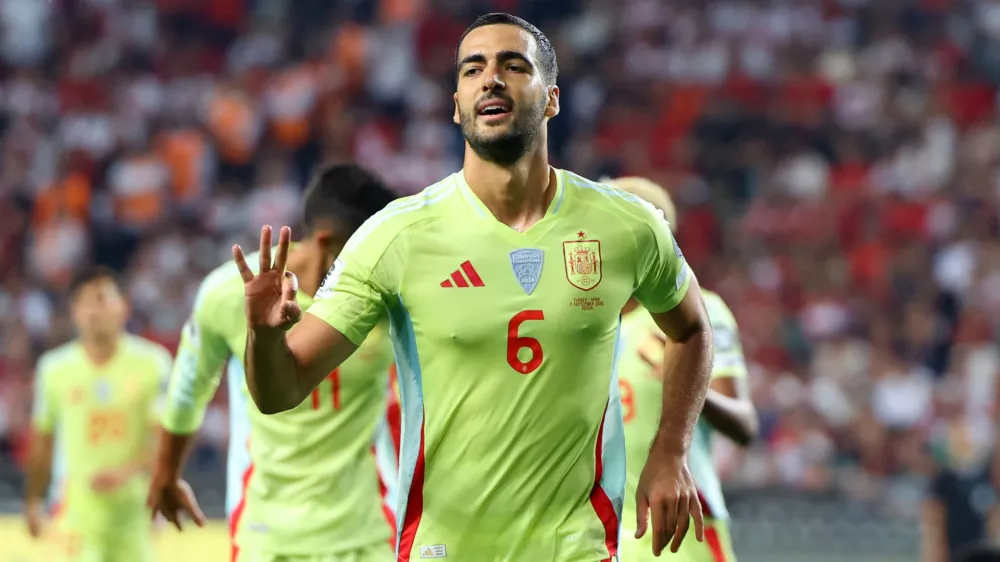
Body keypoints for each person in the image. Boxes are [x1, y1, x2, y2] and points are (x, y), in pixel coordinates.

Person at [233, 12, 715, 561]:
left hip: (575, 548)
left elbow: (693, 330)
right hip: (445, 549)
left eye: (514, 65)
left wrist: (671, 451)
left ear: (552, 98)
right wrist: (265, 338)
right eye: (473, 69)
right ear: (457, 104)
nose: (491, 79)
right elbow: (280, 390)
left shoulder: (627, 225)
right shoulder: (398, 235)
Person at [147, 163, 400, 562]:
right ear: (328, 241)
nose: (383, 262)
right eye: (371, 249)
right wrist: (166, 473)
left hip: (367, 533)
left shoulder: (389, 300)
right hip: (264, 534)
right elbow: (187, 391)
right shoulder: (232, 294)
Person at [606, 177, 758, 562]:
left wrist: (683, 380)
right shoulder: (590, 322)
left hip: (678, 527)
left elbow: (743, 425)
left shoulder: (696, 314)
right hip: (603, 525)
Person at [25, 266, 173, 562]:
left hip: (133, 517)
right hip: (74, 518)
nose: (92, 310)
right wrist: (33, 500)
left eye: (101, 299)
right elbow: (43, 440)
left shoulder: (152, 364)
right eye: (83, 301)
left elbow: (165, 439)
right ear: (73, 312)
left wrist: (129, 471)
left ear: (124, 306)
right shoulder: (54, 369)